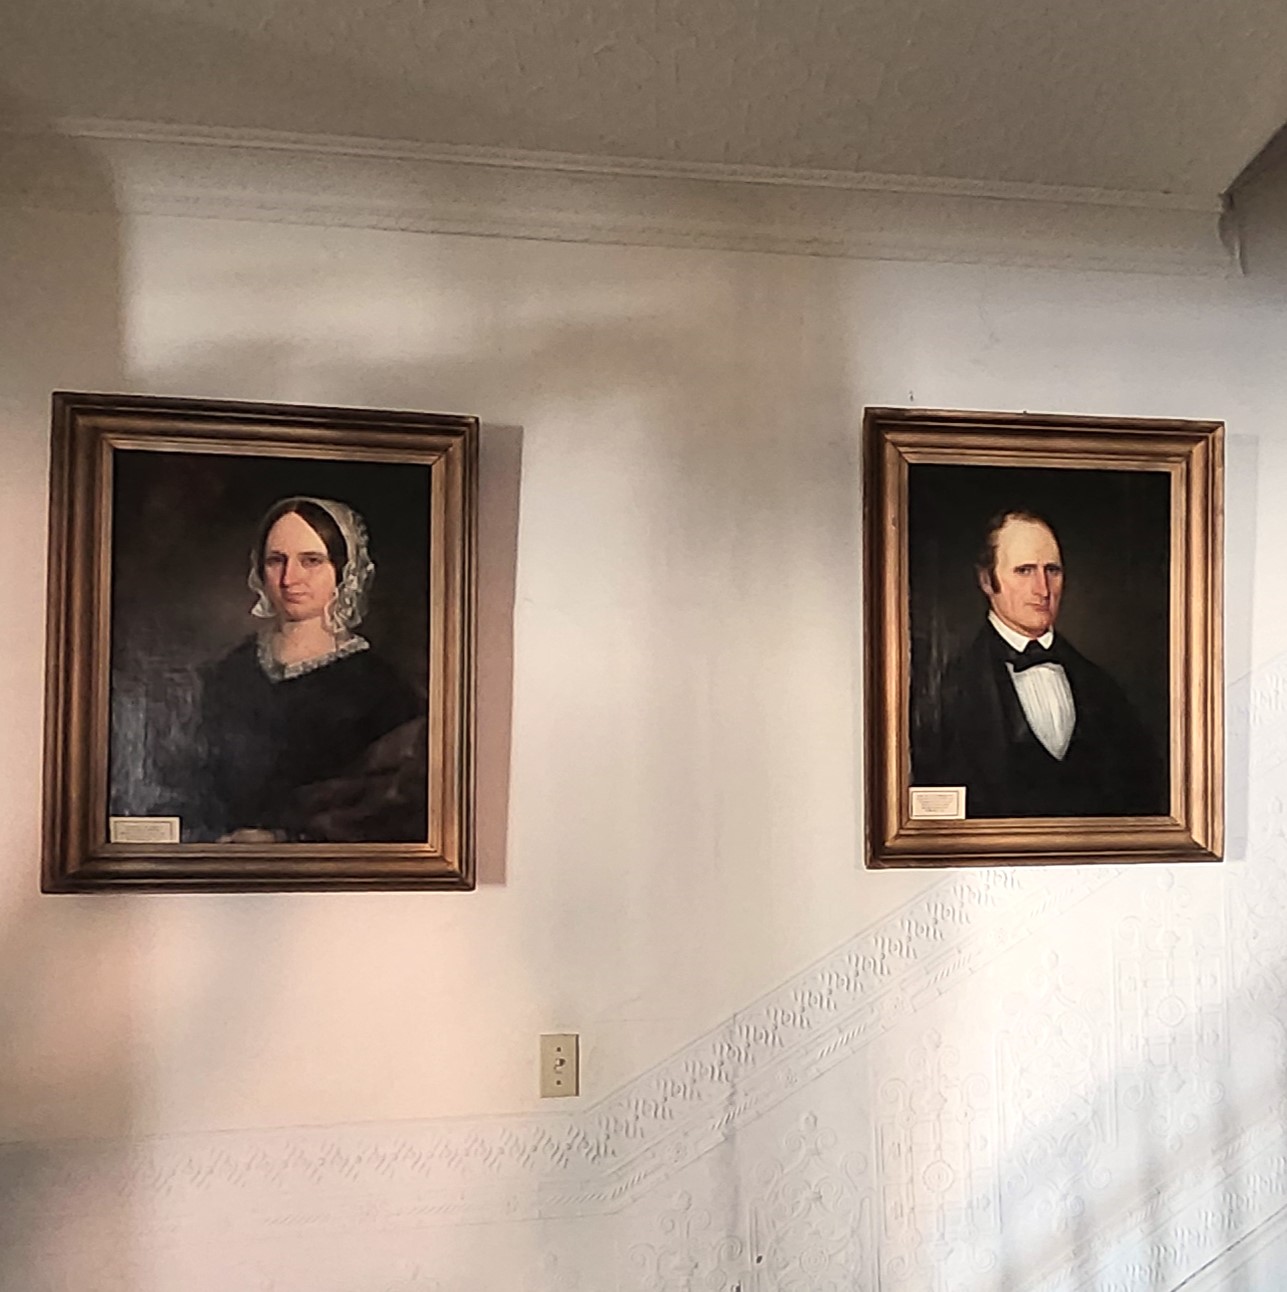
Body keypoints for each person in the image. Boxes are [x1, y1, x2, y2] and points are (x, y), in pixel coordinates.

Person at [188, 496, 427, 843]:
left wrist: (285, 838)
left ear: (344, 570)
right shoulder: (230, 671)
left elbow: (388, 811)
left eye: (311, 561)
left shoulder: (383, 689)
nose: (289, 578)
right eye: (276, 561)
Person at [912, 507, 1165, 818]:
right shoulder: (946, 689)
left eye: (1053, 570)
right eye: (1025, 570)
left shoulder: (1102, 687)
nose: (1043, 590)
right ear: (987, 580)